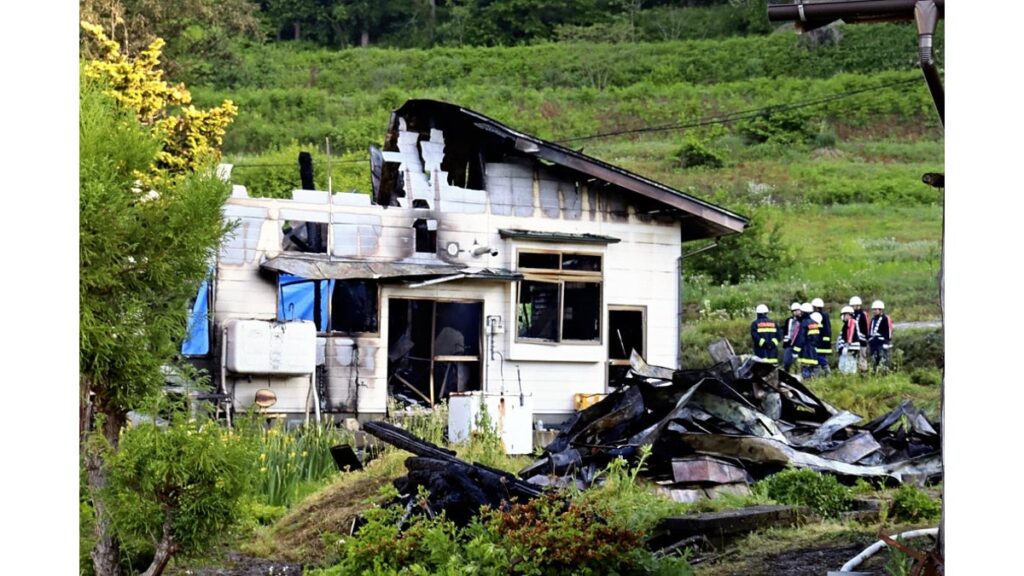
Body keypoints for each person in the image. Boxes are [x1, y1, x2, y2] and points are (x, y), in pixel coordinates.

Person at [836, 305, 863, 374]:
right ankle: (852, 376)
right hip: (853, 346)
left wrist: (847, 345)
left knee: (847, 364)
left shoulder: (850, 322)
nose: (843, 317)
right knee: (852, 362)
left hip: (850, 346)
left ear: (848, 315)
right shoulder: (852, 322)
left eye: (844, 315)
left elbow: (850, 334)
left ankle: (848, 376)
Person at [868, 300, 894, 372]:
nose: (874, 311)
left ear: (881, 310)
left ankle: (884, 372)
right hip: (873, 343)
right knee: (874, 359)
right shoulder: (873, 319)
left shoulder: (885, 318)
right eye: (873, 309)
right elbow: (870, 330)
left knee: (883, 359)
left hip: (882, 343)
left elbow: (888, 330)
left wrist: (886, 342)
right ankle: (875, 372)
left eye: (876, 309)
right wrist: (869, 339)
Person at [796, 303, 820, 379]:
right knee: (812, 369)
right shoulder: (814, 323)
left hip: (805, 350)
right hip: (813, 350)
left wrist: (796, 350)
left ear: (804, 312)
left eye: (801, 312)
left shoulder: (804, 322)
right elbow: (816, 338)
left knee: (805, 369)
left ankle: (806, 381)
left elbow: (801, 338)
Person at [849, 296, 870, 372]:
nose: (852, 307)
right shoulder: (852, 315)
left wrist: (867, 338)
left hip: (862, 340)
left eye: (853, 306)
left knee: (862, 357)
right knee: (854, 357)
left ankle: (863, 372)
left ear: (857, 305)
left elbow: (867, 326)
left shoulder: (863, 314)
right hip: (854, 340)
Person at [812, 298, 832, 375]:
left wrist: (823, 341)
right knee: (816, 358)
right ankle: (817, 374)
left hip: (822, 343)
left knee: (821, 358)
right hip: (819, 341)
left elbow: (826, 330)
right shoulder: (818, 315)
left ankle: (827, 372)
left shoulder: (823, 316)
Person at [782, 302, 802, 372]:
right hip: (789, 344)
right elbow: (785, 332)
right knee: (786, 361)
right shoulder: (788, 320)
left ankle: (798, 373)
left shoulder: (802, 320)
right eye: (794, 311)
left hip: (799, 344)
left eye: (797, 310)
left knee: (798, 362)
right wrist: (785, 342)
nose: (796, 312)